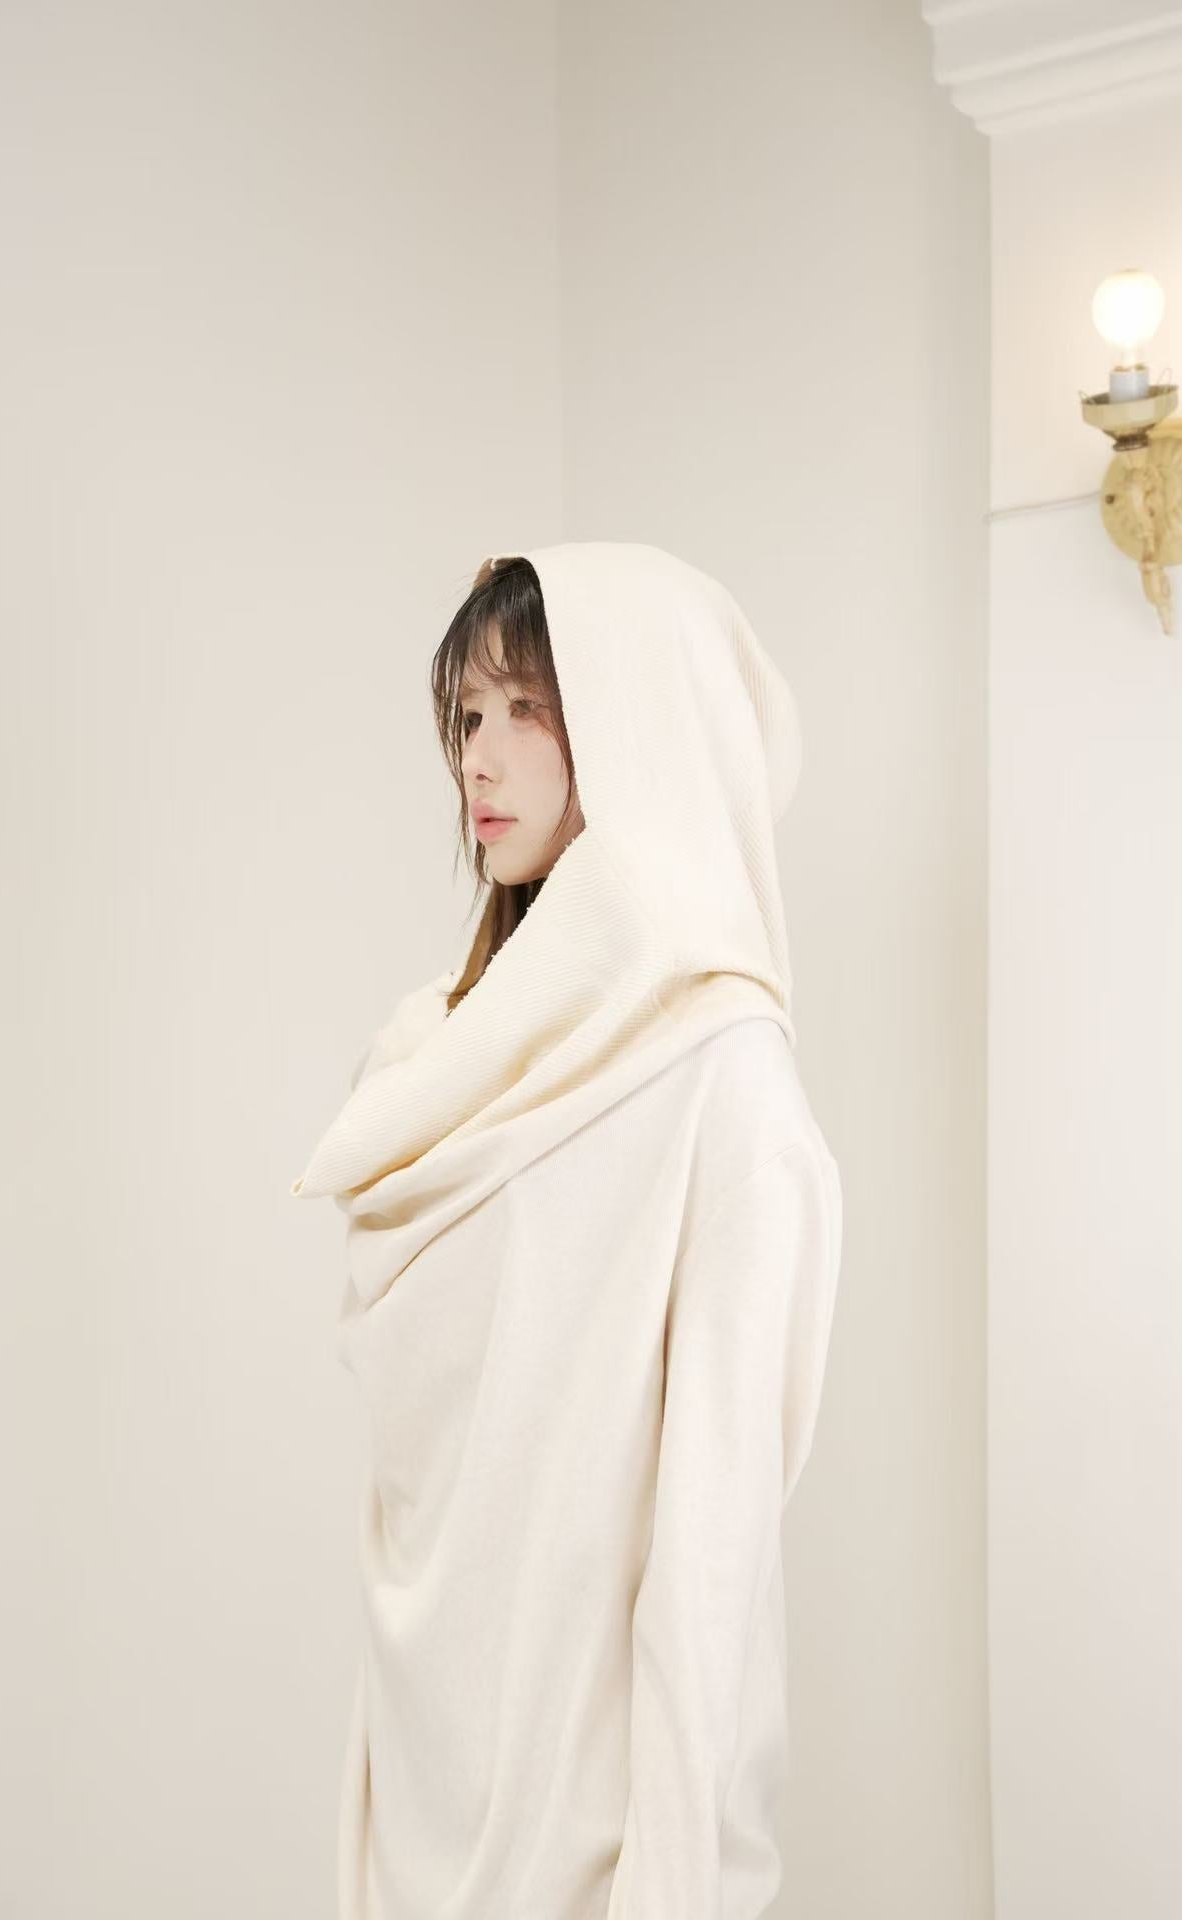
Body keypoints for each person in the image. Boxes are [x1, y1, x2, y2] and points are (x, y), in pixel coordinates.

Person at [290, 541, 844, 1920]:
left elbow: (711, 1562)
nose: (476, 758)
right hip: (424, 1781)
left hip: (595, 1834)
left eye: (528, 710)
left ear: (639, 725)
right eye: (467, 713)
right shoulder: (437, 1064)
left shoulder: (724, 1090)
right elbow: (436, 1494)